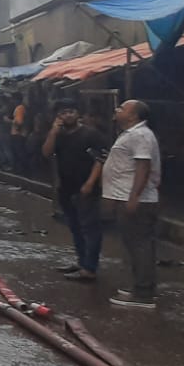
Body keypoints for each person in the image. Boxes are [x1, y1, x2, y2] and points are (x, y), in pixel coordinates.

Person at [103, 100, 162, 309]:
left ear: (133, 116)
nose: (117, 109)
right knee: (134, 245)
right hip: (126, 196)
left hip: (138, 199)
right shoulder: (131, 133)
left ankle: (143, 294)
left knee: (140, 246)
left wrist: (134, 196)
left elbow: (143, 167)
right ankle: (139, 287)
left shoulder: (140, 135)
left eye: (122, 108)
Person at [43, 98, 109, 282]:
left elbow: (101, 159)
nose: (68, 115)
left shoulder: (91, 134)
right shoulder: (59, 135)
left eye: (71, 111)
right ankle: (81, 262)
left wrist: (90, 183)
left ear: (78, 113)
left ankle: (90, 268)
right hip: (66, 187)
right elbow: (46, 153)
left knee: (90, 227)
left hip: (86, 188)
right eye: (63, 112)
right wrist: (54, 131)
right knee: (75, 227)